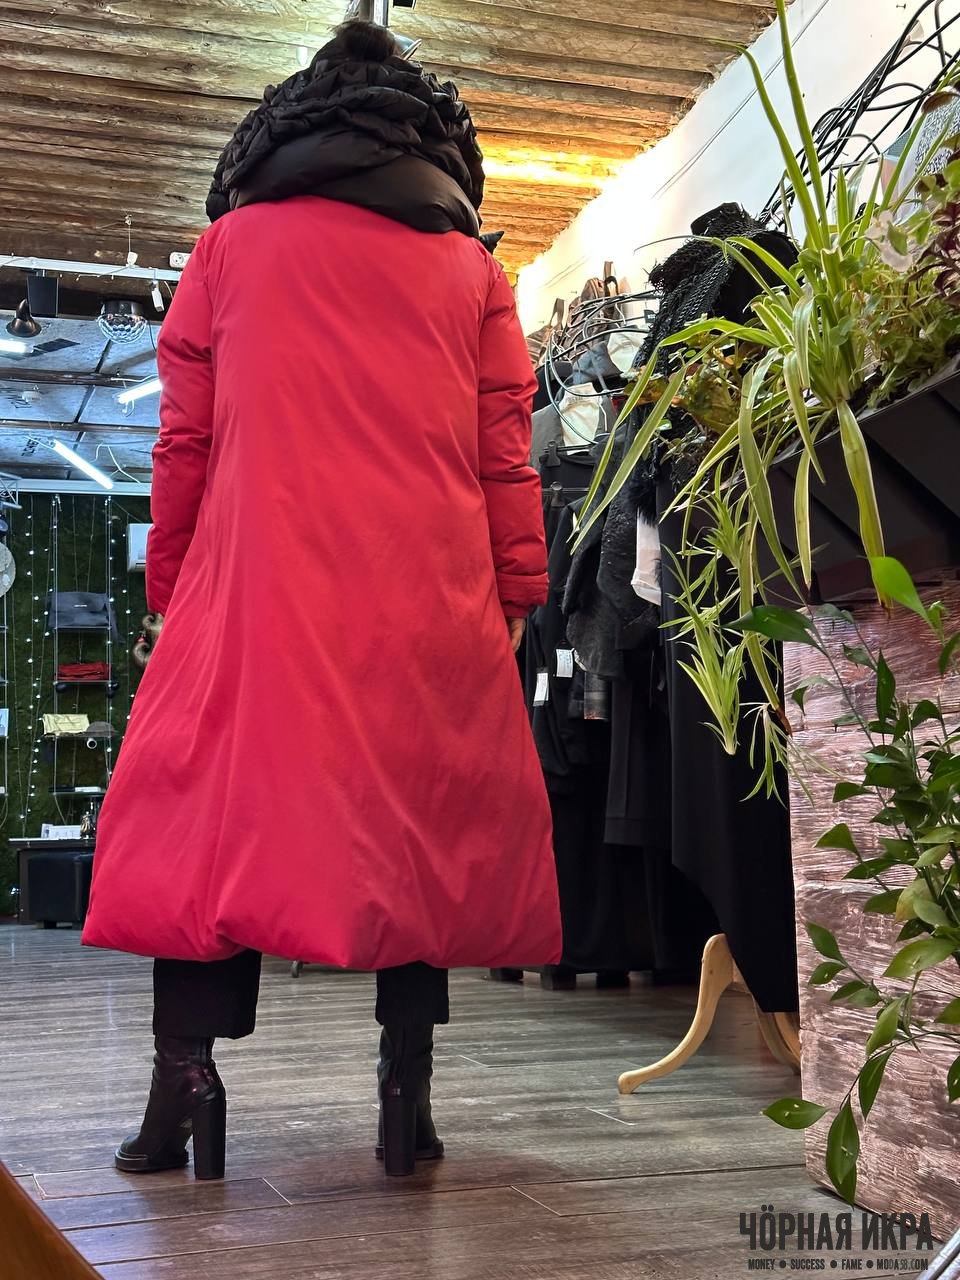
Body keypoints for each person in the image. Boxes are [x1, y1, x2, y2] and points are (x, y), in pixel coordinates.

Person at [81, 19, 562, 1180]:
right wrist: (516, 587)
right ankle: (406, 1093)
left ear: (290, 123)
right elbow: (505, 450)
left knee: (204, 824)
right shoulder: (474, 269)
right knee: (422, 825)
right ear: (428, 138)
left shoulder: (230, 248)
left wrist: (172, 580)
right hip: (426, 582)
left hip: (259, 578)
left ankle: (186, 1085)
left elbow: (185, 439)